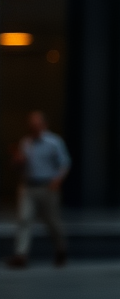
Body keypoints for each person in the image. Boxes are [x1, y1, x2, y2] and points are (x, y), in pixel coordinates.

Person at [6, 110, 71, 269]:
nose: (33, 128)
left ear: (43, 125)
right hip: (29, 186)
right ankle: (21, 254)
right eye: (31, 125)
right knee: (24, 219)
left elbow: (65, 163)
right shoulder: (26, 142)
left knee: (52, 221)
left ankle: (61, 248)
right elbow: (20, 166)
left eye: (36, 124)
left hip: (47, 186)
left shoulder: (53, 142)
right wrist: (18, 161)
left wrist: (57, 179)